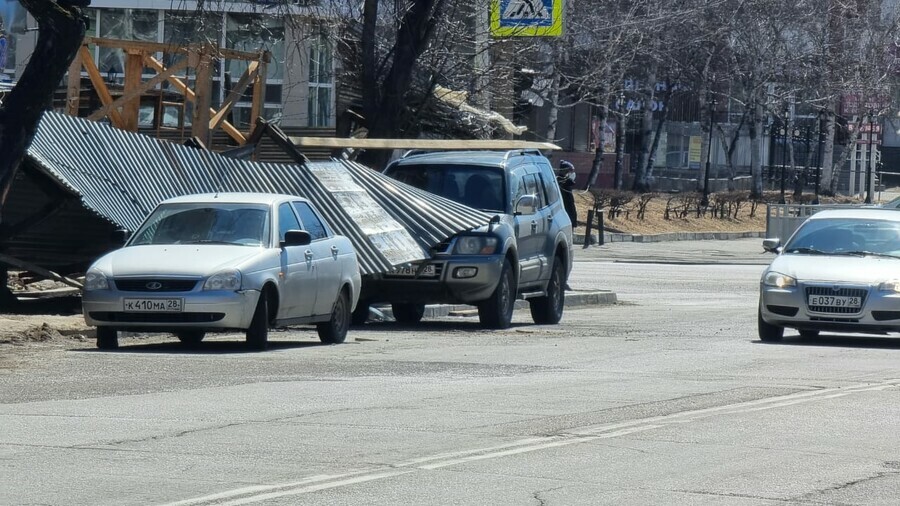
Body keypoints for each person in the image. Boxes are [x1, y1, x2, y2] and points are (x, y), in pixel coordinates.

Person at [557, 160, 578, 227]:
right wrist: (568, 180)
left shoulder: (565, 180)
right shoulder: (560, 180)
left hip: (569, 209)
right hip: (565, 209)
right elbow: (571, 183)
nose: (572, 173)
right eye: (569, 171)